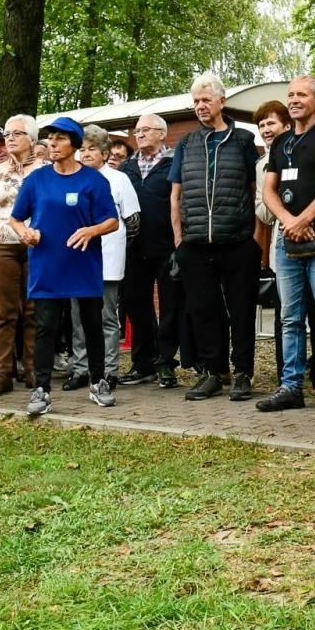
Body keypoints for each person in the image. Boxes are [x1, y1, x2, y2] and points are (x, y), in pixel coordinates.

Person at [9, 117, 119, 415]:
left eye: (60, 139)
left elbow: (112, 220)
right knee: (46, 327)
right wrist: (25, 233)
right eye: (50, 138)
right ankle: (42, 389)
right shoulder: (37, 180)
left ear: (75, 144)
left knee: (92, 325)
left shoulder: (93, 180)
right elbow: (16, 218)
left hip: (84, 265)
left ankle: (98, 382)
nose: (52, 144)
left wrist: (91, 230)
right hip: (47, 265)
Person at [257, 76, 315, 417]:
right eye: (290, 95)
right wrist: (288, 220)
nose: (294, 100)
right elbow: (268, 189)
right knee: (290, 317)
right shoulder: (280, 142)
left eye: (301, 95)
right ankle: (291, 387)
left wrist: (304, 219)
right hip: (288, 241)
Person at [170, 71, 260, 402]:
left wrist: (254, 237)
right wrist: (179, 240)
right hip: (195, 244)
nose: (200, 106)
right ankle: (212, 372)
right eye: (195, 101)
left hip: (237, 241)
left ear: (222, 101)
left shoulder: (243, 141)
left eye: (206, 100)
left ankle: (243, 373)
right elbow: (175, 196)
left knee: (242, 311)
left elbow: (255, 190)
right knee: (204, 311)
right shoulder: (186, 144)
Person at [0, 114, 43, 397]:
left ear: (32, 139)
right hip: (0, 242)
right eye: (7, 134)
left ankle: (33, 369)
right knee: (2, 311)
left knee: (34, 310)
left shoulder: (46, 170)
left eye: (17, 134)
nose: (9, 138)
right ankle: (3, 373)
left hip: (37, 244)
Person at [70, 124, 139, 395]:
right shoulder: (72, 178)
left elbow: (133, 221)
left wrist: (119, 246)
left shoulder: (119, 179)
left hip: (108, 256)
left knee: (106, 316)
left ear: (105, 153)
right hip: (77, 258)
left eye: (92, 149)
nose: (86, 154)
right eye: (82, 149)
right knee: (77, 317)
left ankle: (109, 370)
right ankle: (80, 368)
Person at [120, 113, 184, 387]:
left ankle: (166, 363)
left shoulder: (175, 162)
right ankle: (142, 363)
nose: (140, 134)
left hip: (167, 245)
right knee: (135, 303)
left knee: (170, 306)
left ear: (162, 133)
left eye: (146, 130)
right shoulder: (126, 167)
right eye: (137, 131)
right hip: (134, 248)